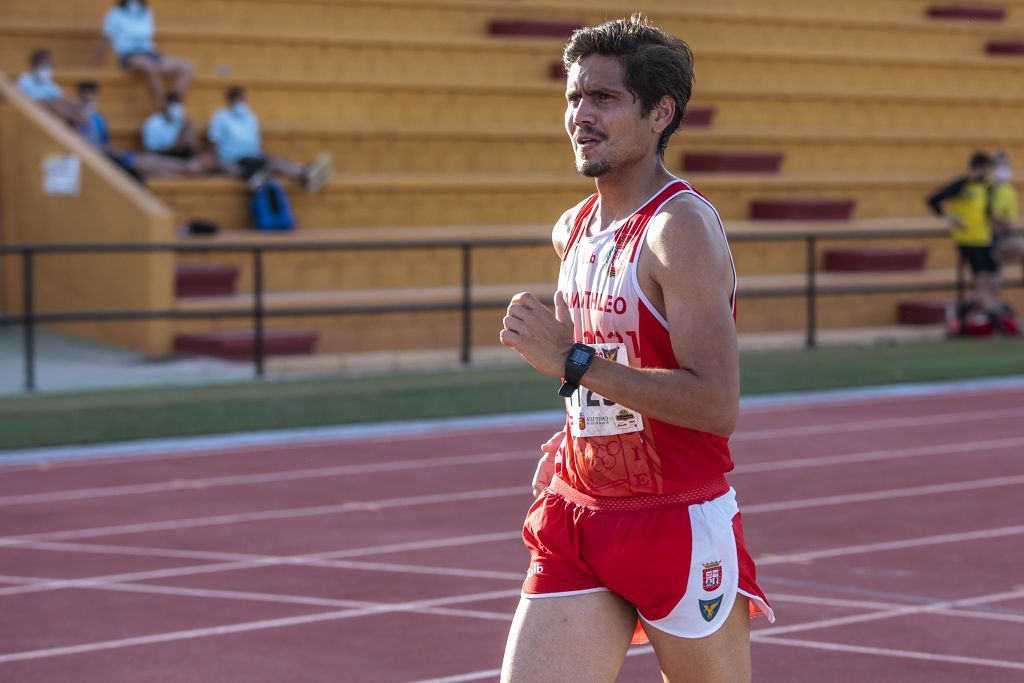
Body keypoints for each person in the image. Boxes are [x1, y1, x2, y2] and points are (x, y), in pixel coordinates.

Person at [498, 14, 772, 683]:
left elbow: (715, 401)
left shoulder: (679, 229)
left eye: (604, 98)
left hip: (674, 520)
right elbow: (592, 373)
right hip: (578, 513)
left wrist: (575, 361)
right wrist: (571, 433)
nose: (581, 116)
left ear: (660, 113)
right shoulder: (573, 229)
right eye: (574, 98)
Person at [926, 152, 1016, 333]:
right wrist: (951, 218)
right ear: (978, 168)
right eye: (987, 168)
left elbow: (989, 212)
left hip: (985, 238)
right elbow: (933, 200)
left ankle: (968, 310)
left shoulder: (988, 187)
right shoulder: (961, 185)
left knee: (993, 279)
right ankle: (992, 313)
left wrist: (1001, 226)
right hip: (967, 239)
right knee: (982, 277)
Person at [207, 86, 332, 191]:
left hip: (253, 155)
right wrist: (223, 163)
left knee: (275, 160)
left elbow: (255, 143)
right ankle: (305, 175)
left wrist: (263, 154)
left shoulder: (250, 117)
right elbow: (214, 142)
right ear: (230, 100)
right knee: (272, 164)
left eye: (243, 99)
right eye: (238, 99)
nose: (241, 102)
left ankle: (305, 173)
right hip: (235, 158)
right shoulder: (220, 116)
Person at [72, 80, 195, 182]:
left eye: (92, 98)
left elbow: (105, 143)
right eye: (85, 99)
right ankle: (185, 169)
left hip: (110, 154)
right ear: (78, 98)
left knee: (144, 161)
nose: (89, 101)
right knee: (143, 163)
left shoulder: (98, 118)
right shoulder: (74, 118)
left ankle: (184, 168)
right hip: (99, 157)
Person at [94, 0, 194, 109]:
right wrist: (95, 65)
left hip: (149, 53)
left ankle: (174, 102)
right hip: (128, 55)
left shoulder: (147, 12)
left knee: (187, 67)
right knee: (149, 67)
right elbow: (105, 40)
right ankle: (162, 106)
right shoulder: (115, 14)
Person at [142, 92, 216, 174]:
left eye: (178, 105)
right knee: (151, 161)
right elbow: (151, 150)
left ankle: (190, 167)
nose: (176, 109)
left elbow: (190, 150)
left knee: (206, 160)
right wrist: (182, 134)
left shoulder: (182, 122)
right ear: (165, 105)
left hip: (181, 158)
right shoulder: (153, 123)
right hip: (162, 157)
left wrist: (188, 132)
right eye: (173, 105)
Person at [16, 49, 86, 126]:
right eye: (45, 65)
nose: (49, 68)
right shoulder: (25, 81)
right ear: (34, 65)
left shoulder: (49, 84)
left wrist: (78, 104)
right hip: (34, 119)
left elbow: (64, 99)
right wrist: (51, 104)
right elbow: (27, 103)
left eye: (51, 65)